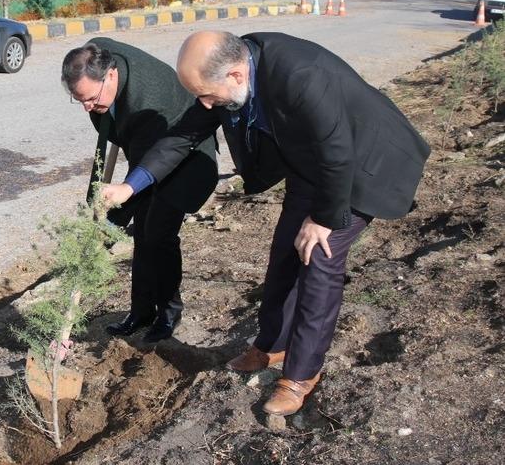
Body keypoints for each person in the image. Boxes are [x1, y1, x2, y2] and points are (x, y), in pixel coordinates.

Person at [142, 30, 429, 416]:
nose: (205, 104)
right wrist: (132, 186)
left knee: (318, 259)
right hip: (314, 163)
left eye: (208, 94)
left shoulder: (300, 75)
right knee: (284, 253)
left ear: (236, 76)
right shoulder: (234, 63)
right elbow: (185, 132)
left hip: (366, 165)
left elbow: (338, 151)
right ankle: (272, 346)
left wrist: (324, 219)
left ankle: (301, 375)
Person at [61, 38, 218, 342]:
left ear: (110, 76)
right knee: (143, 234)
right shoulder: (96, 56)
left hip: (186, 156)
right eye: (79, 100)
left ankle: (169, 313)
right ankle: (142, 311)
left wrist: (108, 223)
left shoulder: (149, 100)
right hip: (148, 152)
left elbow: (144, 173)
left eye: (91, 99)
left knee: (157, 233)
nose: (87, 108)